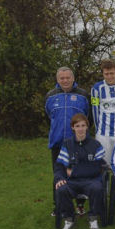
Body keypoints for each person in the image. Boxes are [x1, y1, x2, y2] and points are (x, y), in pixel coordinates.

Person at [45, 66, 89, 216]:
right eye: (62, 78)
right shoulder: (50, 96)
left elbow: (89, 118)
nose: (65, 80)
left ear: (73, 78)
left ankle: (80, 205)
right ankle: (59, 207)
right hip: (58, 143)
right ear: (57, 80)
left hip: (78, 143)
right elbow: (49, 117)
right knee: (59, 175)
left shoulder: (83, 95)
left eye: (67, 77)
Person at [54, 114, 106, 229]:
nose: (81, 129)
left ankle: (93, 218)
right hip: (72, 182)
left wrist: (75, 171)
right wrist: (60, 178)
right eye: (77, 126)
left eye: (83, 125)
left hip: (91, 180)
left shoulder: (95, 145)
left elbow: (97, 168)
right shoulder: (67, 145)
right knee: (61, 189)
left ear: (87, 127)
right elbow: (59, 166)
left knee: (97, 188)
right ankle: (69, 219)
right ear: (73, 128)